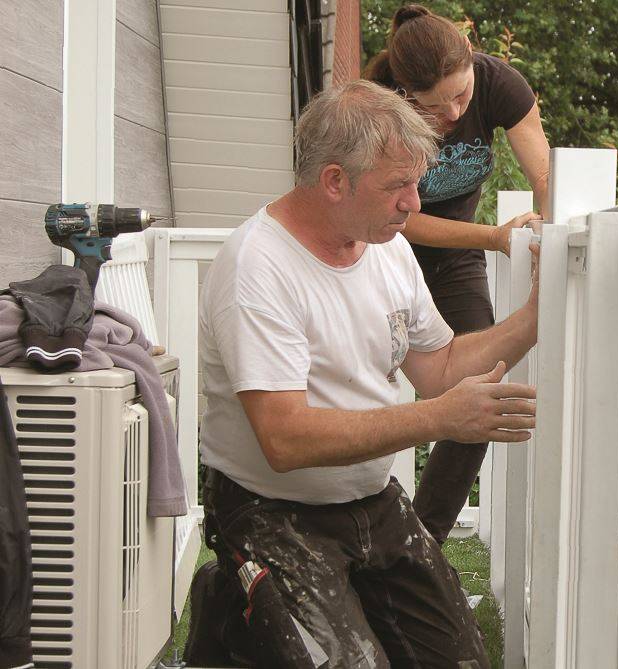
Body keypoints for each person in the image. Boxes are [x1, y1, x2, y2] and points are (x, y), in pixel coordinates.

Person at [190, 80, 539, 667]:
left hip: (372, 499)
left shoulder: (385, 248)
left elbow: (441, 368)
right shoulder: (257, 270)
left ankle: (241, 613)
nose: (415, 204)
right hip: (269, 506)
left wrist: (537, 315)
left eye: (415, 183)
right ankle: (231, 608)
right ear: (333, 181)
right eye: (397, 186)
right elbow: (284, 438)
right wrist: (438, 420)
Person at [364, 3, 551, 544]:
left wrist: (552, 235)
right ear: (404, 94)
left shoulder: (500, 84)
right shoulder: (379, 105)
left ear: (472, 61)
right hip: (381, 249)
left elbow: (543, 173)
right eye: (433, 105)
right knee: (356, 386)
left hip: (455, 260)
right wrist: (495, 236)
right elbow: (402, 219)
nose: (451, 114)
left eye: (462, 96)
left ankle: (418, 548)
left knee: (485, 383)